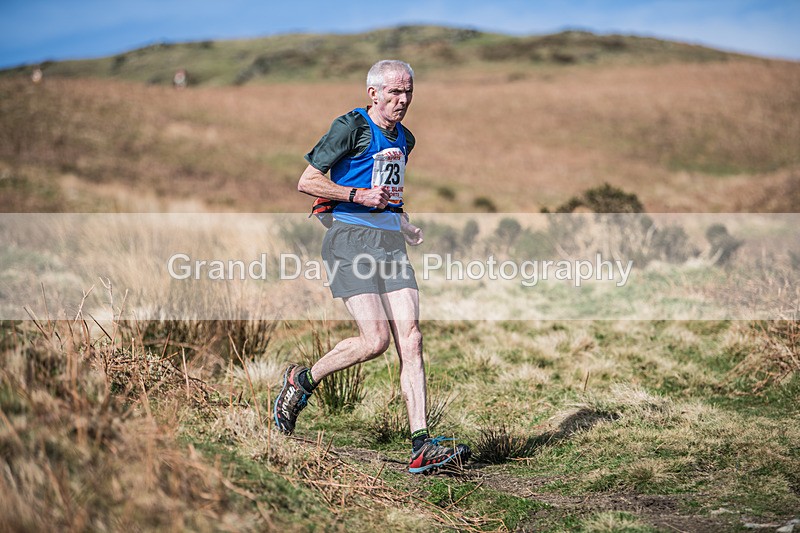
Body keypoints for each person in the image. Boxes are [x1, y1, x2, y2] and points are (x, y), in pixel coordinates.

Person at [274, 59, 470, 474]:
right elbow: (307, 180)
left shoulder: (407, 139)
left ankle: (421, 445)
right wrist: (357, 195)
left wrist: (403, 221)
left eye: (408, 92)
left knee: (411, 338)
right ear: (374, 94)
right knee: (375, 340)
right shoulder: (351, 127)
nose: (402, 100)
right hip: (349, 241)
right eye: (394, 92)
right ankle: (302, 381)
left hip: (390, 244)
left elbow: (391, 192)